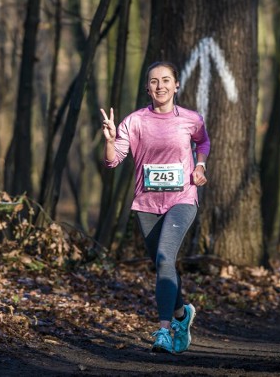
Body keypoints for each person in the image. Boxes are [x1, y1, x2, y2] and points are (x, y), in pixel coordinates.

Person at [100, 61, 210, 355]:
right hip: (147, 204)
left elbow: (203, 141)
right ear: (147, 88)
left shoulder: (191, 119)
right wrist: (110, 141)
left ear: (176, 85)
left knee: (163, 257)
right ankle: (181, 315)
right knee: (163, 264)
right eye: (153, 81)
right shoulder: (134, 121)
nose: (159, 86)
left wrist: (200, 166)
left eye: (165, 80)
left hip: (182, 199)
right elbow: (113, 161)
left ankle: (164, 331)